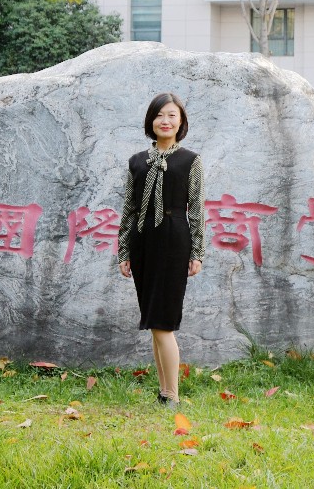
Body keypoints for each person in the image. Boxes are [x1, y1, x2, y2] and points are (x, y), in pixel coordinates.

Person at [117, 92, 205, 408]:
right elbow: (129, 208)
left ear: (180, 122)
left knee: (163, 322)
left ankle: (173, 396)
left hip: (173, 242)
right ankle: (164, 392)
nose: (165, 121)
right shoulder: (136, 161)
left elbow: (197, 208)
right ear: (150, 121)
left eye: (171, 115)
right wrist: (124, 250)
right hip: (143, 243)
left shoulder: (190, 161)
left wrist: (197, 252)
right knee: (154, 321)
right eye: (159, 115)